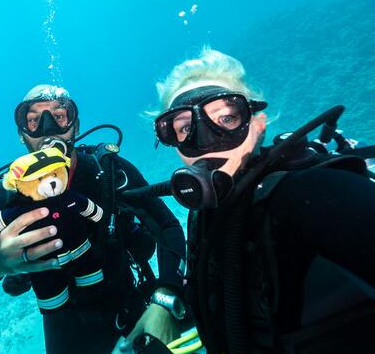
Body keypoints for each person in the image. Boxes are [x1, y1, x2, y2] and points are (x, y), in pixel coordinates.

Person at [0, 84, 187, 354]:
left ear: (75, 126)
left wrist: (165, 298)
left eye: (59, 116)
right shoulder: (6, 196)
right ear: (22, 135)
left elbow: (167, 226)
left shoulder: (109, 173)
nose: (48, 129)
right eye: (33, 120)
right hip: (62, 326)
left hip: (128, 305)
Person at [149, 48, 375, 353]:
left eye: (226, 117)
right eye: (186, 128)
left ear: (258, 125)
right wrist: (165, 306)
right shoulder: (204, 213)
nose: (204, 141)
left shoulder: (310, 193)